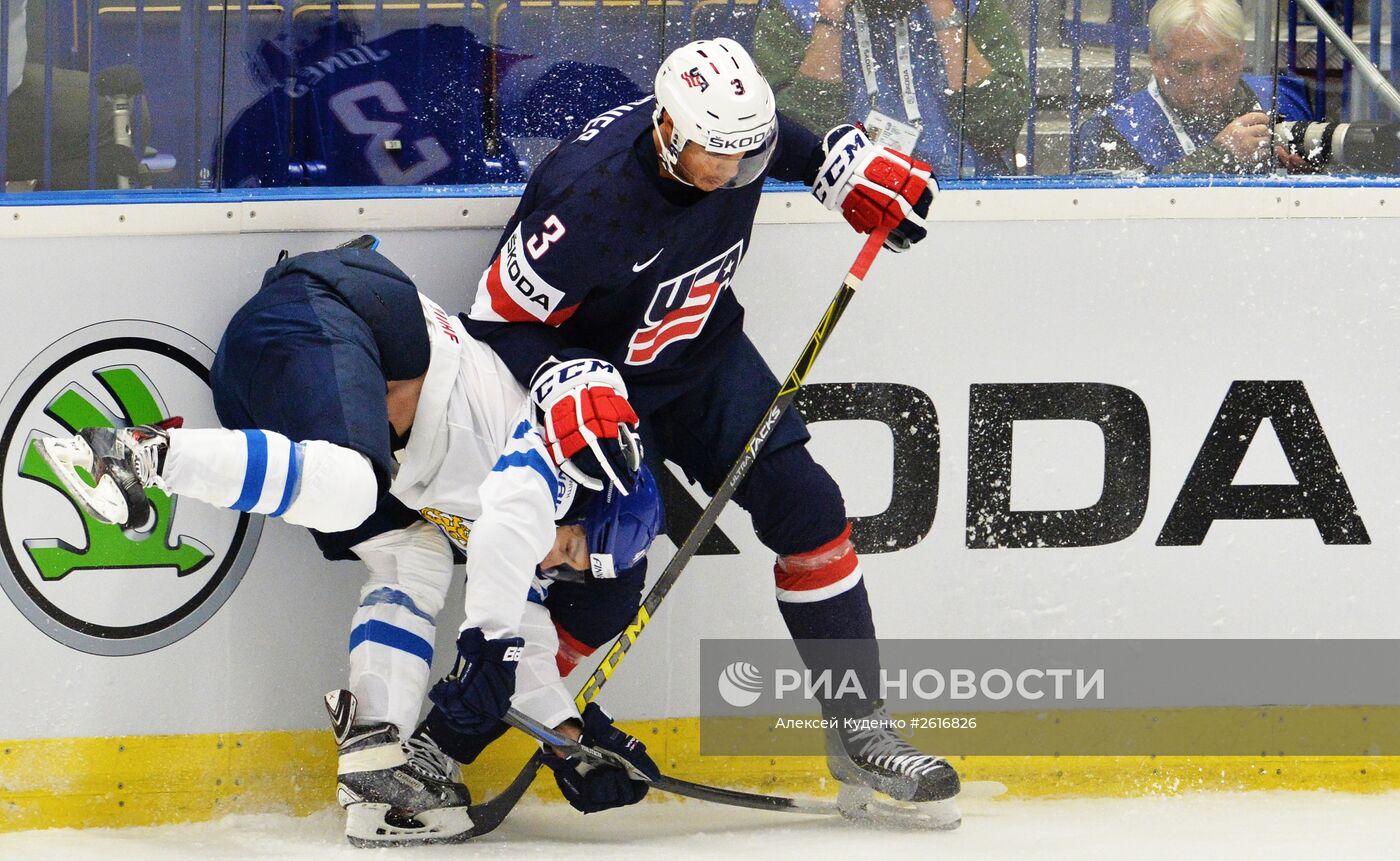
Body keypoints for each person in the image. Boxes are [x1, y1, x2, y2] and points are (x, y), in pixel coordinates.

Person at [461, 37, 962, 825]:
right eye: (712, 154)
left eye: (743, 152)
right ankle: (468, 729)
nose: (730, 172)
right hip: (608, 396)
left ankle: (859, 728)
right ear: (666, 127)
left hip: (705, 356)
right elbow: (495, 319)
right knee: (604, 583)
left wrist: (845, 168)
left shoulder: (736, 138)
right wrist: (561, 377)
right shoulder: (585, 197)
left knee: (809, 504)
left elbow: (785, 139)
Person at [37, 236, 666, 846]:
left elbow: (521, 622)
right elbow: (509, 531)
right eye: (574, 548)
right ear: (588, 495)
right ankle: (132, 454)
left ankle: (375, 754)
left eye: (572, 567)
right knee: (356, 484)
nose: (555, 563)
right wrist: (488, 643)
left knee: (412, 556)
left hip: (281, 382)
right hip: (317, 318)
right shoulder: (547, 459)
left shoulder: (533, 521)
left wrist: (568, 738)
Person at [751, 0, 1030, 177]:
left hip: (966, 196)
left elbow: (999, 127)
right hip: (845, 199)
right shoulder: (794, 9)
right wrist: (830, 18)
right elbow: (796, 143)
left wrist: (944, 13)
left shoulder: (975, 6)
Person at [1073, 0, 1313, 174]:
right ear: (1157, 61)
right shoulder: (1113, 130)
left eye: (1219, 64)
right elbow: (1115, 218)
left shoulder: (1281, 96)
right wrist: (1219, 157)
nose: (1206, 83)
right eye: (1187, 67)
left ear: (1240, 55)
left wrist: (1309, 173)